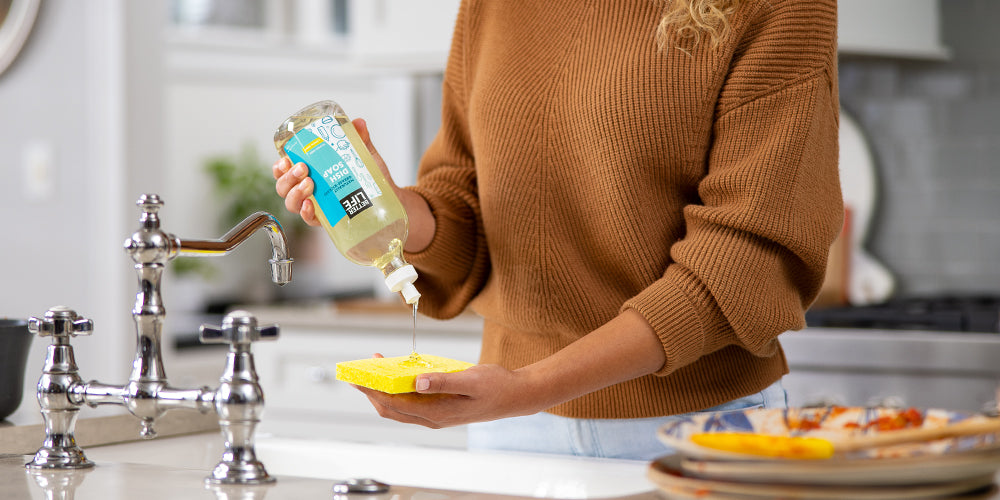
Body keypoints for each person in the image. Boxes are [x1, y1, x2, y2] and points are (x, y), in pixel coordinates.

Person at [273, 0, 841, 461]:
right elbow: (466, 202)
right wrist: (390, 207)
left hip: (695, 432)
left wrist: (531, 386)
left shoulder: (782, 6)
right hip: (513, 436)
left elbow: (747, 259)